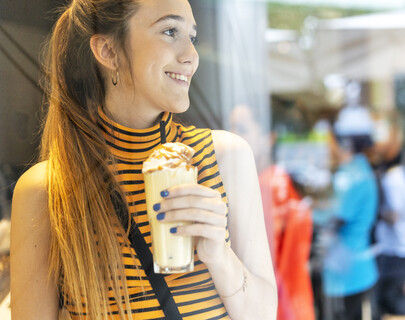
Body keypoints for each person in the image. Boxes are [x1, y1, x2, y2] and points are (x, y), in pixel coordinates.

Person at [10, 0, 277, 319]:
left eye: (191, 36)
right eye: (169, 31)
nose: (191, 56)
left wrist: (219, 255)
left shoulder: (225, 157)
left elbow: (262, 314)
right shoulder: (46, 190)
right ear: (108, 50)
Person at [230, 104, 315, 320]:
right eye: (230, 128)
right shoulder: (278, 181)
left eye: (241, 128)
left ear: (269, 137)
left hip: (279, 309)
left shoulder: (266, 189)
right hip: (293, 305)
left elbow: (258, 267)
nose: (232, 137)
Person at [322, 104, 379, 320]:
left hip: (347, 275)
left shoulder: (349, 177)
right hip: (357, 269)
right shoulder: (361, 170)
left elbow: (331, 220)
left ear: (344, 142)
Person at [373, 111, 405, 318]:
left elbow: (394, 216)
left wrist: (376, 214)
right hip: (403, 251)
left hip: (399, 252)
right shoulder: (397, 176)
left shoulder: (392, 180)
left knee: (396, 309)